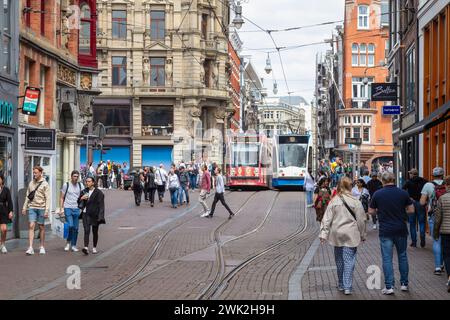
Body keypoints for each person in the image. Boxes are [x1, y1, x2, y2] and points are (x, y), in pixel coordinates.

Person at [369, 172, 415, 295]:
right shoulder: (403, 193)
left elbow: (371, 211)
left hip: (386, 230)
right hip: (401, 228)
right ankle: (404, 284)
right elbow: (411, 210)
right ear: (394, 180)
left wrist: (380, 210)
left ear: (383, 181)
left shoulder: (377, 194)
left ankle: (389, 286)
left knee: (387, 258)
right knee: (403, 256)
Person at [320, 177, 367, 295]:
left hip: (337, 234)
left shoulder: (334, 200)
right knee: (349, 260)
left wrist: (323, 234)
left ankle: (341, 283)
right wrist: (362, 234)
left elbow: (326, 218)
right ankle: (347, 286)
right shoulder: (356, 201)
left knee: (339, 260)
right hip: (351, 234)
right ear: (350, 187)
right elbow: (361, 220)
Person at [420, 166, 446, 275]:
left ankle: (438, 267)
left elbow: (421, 202)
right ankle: (445, 263)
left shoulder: (428, 185)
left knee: (436, 240)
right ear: (443, 174)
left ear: (433, 175)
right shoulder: (447, 184)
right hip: (447, 216)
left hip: (434, 216)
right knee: (446, 241)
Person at [22, 166, 51, 255]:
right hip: (32, 207)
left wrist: (46, 210)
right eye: (33, 172)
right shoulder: (31, 183)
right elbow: (28, 195)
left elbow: (48, 198)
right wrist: (24, 207)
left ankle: (42, 246)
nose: (34, 174)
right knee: (31, 226)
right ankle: (30, 247)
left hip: (41, 208)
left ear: (40, 173)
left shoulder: (45, 184)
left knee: (41, 227)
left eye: (36, 173)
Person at [78, 177, 105, 255]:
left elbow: (101, 205)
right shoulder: (84, 191)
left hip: (95, 215)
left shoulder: (99, 193)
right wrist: (81, 198)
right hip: (85, 214)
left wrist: (101, 216)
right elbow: (78, 202)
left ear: (93, 183)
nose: (87, 183)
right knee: (86, 230)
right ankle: (86, 247)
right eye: (86, 181)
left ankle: (94, 247)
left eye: (89, 181)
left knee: (95, 231)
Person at [402, 168, 428, 248]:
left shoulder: (408, 182)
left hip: (412, 203)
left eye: (410, 173)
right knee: (422, 222)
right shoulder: (424, 181)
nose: (409, 175)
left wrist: (408, 198)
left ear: (412, 174)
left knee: (412, 224)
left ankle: (414, 242)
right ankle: (423, 239)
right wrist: (426, 199)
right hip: (421, 202)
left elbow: (402, 190)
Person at [59, 170, 84, 252]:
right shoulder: (66, 185)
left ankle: (73, 245)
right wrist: (61, 208)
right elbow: (62, 197)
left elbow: (84, 196)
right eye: (74, 176)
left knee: (76, 228)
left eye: (77, 176)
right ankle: (68, 242)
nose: (76, 178)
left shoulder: (80, 185)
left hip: (76, 209)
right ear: (71, 176)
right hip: (68, 208)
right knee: (70, 226)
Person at [433, 175, 450, 292]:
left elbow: (438, 218)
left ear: (447, 185)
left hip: (446, 232)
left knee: (448, 256)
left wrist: (435, 232)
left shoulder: (442, 199)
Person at [0, 174, 13, 253]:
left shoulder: (6, 189)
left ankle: (3, 244)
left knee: (4, 229)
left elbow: (10, 201)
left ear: (2, 180)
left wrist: (11, 211)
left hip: (3, 210)